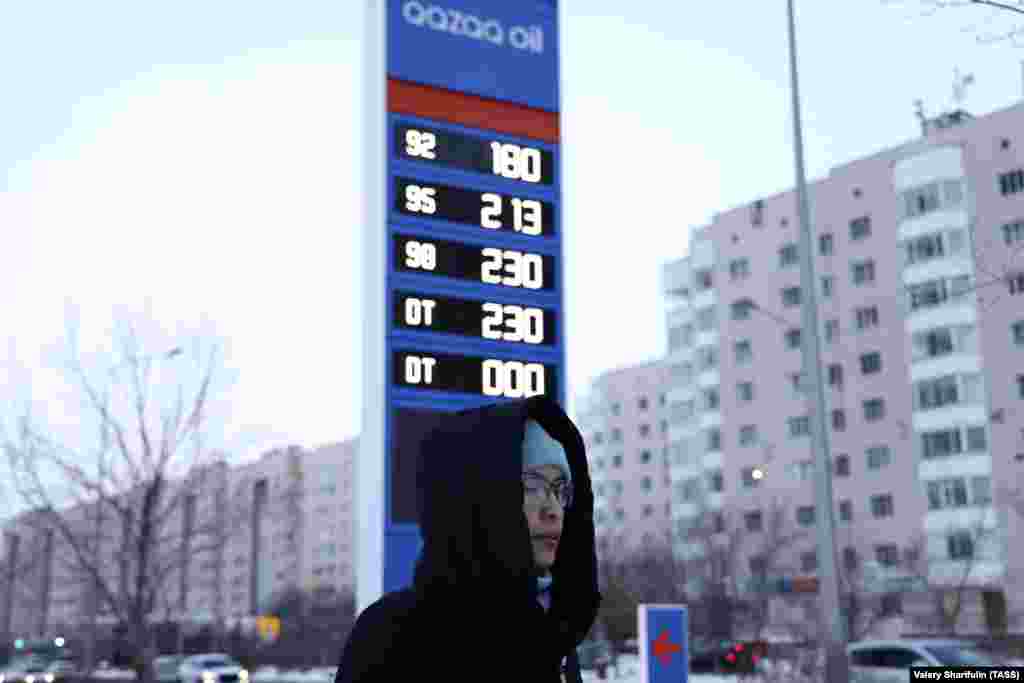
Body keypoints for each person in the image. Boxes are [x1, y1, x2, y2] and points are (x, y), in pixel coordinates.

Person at [335, 395, 601, 682]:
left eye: (561, 489)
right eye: (531, 486)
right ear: (476, 497)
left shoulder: (553, 638)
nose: (554, 510)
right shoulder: (390, 637)